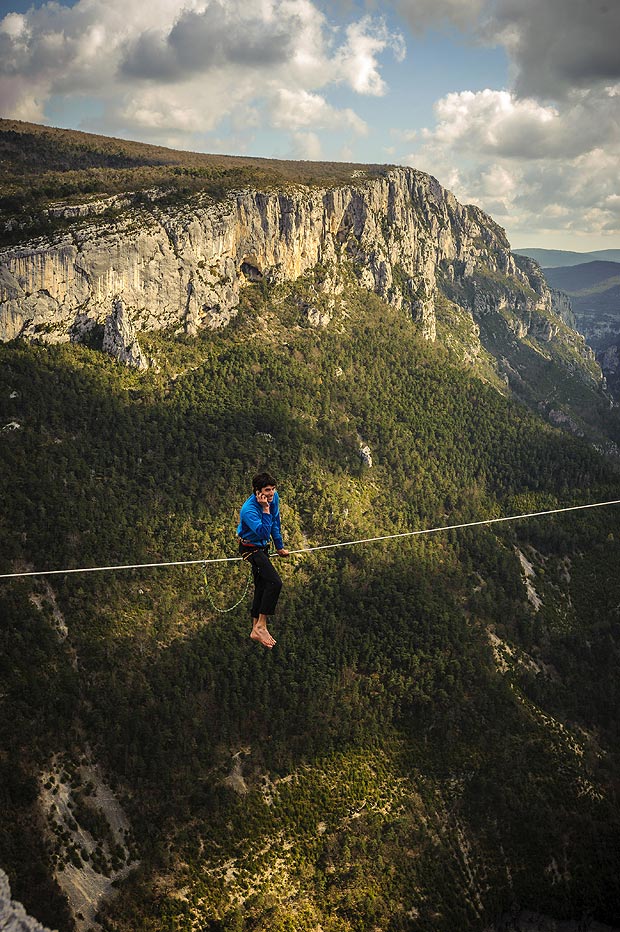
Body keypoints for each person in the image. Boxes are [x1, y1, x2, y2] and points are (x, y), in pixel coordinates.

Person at [237, 472, 289, 648]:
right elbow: (263, 533)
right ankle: (261, 624)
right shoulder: (248, 510)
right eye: (267, 490)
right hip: (250, 549)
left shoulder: (274, 498)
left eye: (273, 489)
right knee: (275, 583)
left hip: (262, 547)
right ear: (257, 492)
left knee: (261, 585)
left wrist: (279, 546)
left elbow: (275, 522)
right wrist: (265, 509)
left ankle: (255, 629)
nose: (271, 493)